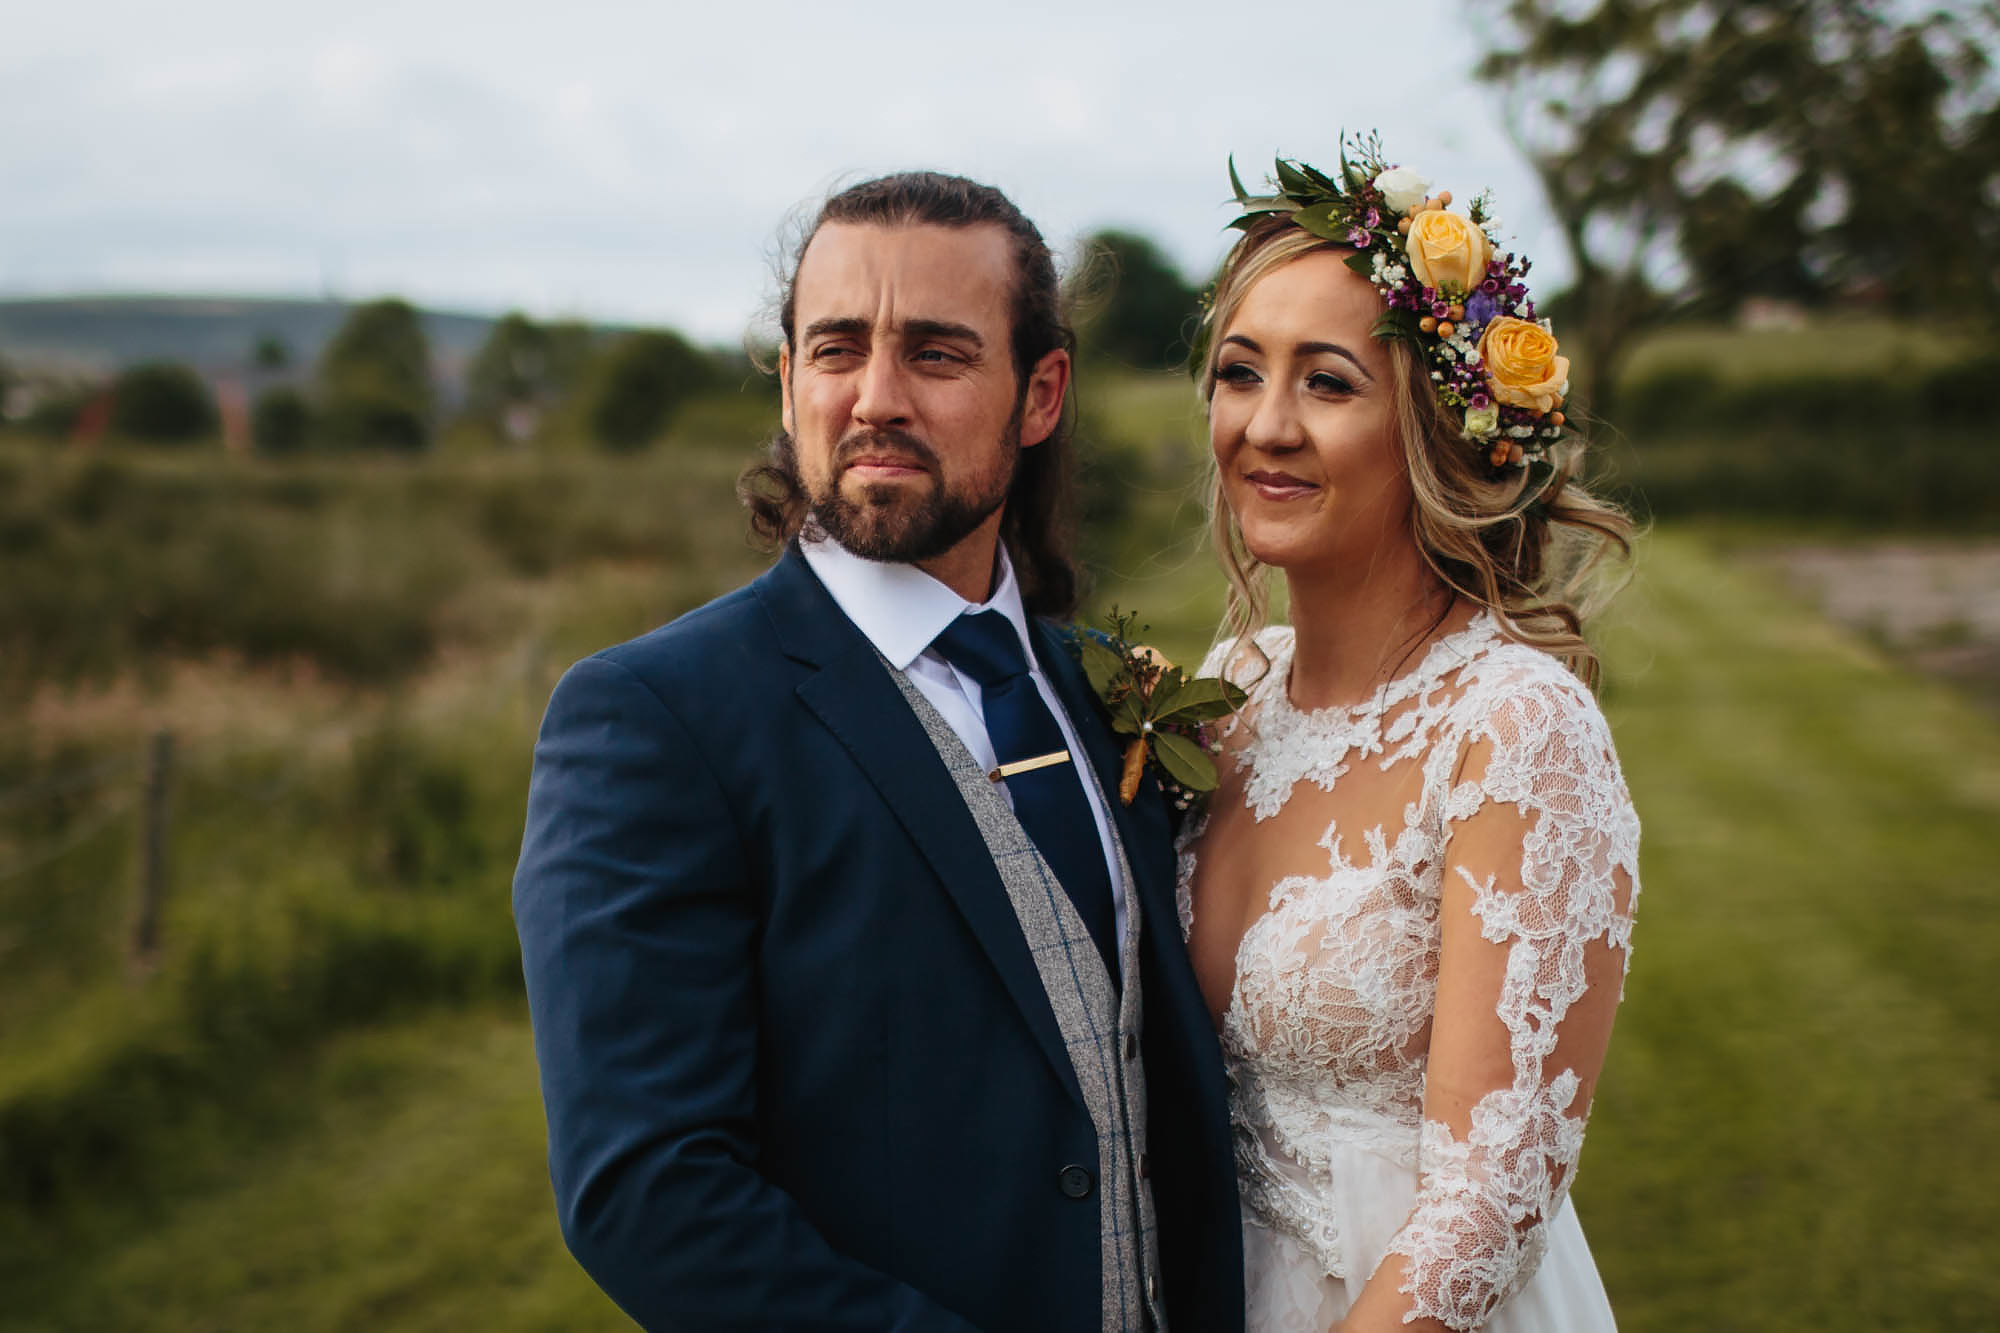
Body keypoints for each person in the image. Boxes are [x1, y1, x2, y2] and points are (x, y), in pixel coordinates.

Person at [511, 171, 1244, 1333]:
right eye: (836, 348)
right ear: (791, 373)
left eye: (937, 354)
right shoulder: (656, 720)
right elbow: (647, 1194)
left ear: (1039, 392)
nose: (873, 398)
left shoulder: (1107, 695)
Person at [1179, 142, 1641, 1332]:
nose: (1264, 426)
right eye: (1240, 372)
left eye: (1325, 382)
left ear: (1431, 425)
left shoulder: (1511, 727)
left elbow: (1494, 1188)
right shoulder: (1224, 694)